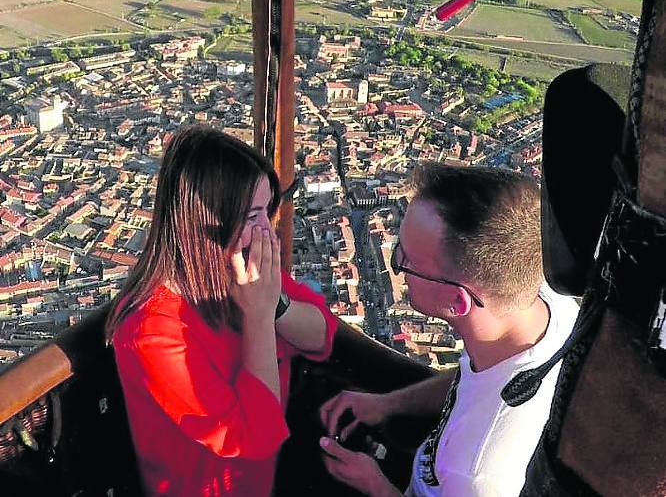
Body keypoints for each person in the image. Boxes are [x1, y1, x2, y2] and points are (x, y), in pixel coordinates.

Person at [319, 163, 579, 497]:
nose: (397, 270)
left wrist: (376, 486)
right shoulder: (542, 302)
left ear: (457, 302)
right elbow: (473, 384)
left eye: (405, 262)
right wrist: (388, 404)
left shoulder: (478, 474)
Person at [106, 125, 337, 496]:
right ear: (205, 225)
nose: (268, 231)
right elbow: (254, 439)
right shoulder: (153, 333)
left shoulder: (240, 271)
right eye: (253, 216)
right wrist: (259, 318)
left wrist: (273, 304)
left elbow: (320, 336)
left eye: (269, 211)